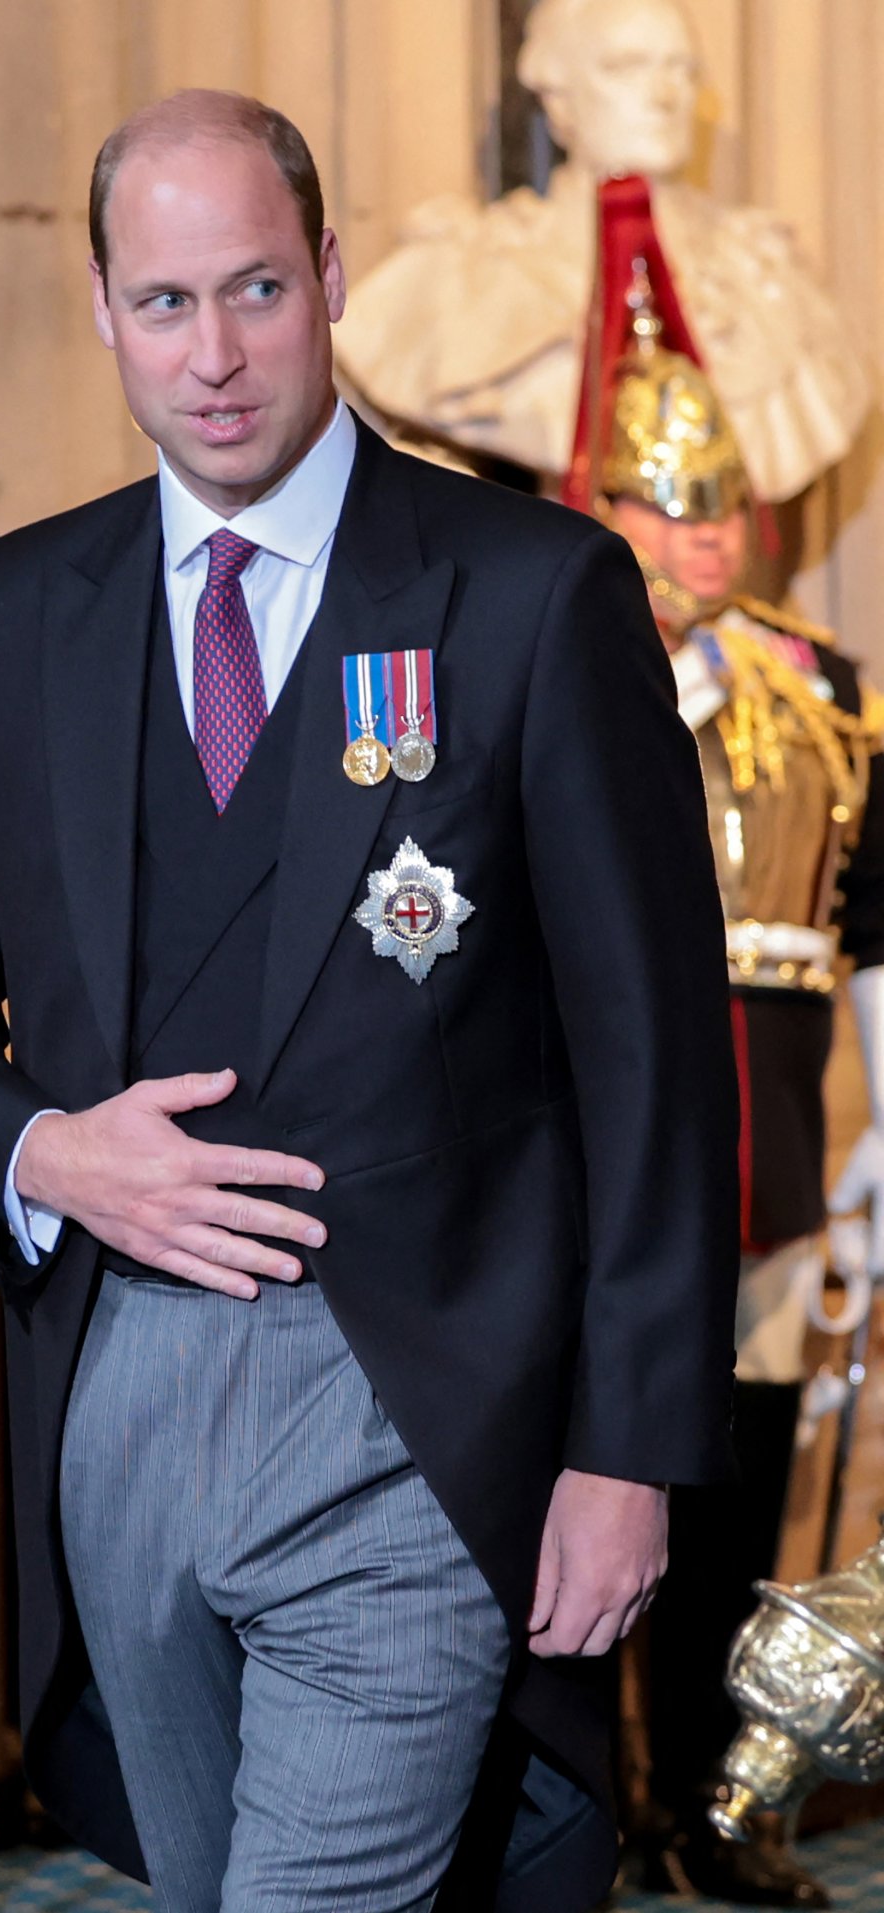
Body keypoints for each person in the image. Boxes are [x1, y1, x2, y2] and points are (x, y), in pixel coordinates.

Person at [0, 90, 739, 1913]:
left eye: (255, 288)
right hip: (115, 1402)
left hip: (421, 1406)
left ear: (328, 276)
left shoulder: (532, 595)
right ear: (101, 311)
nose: (216, 356)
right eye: (164, 304)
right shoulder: (27, 604)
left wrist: (630, 1449)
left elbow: (655, 1065)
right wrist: (43, 1153)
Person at [600, 303, 884, 1908]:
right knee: (589, 1468)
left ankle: (722, 1797)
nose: (701, 538)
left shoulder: (827, 694)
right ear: (609, 509)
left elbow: (879, 930)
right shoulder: (554, 654)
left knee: (736, 1479)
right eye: (667, 505)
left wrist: (879, 1137)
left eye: (720, 507)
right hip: (596, 1158)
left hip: (769, 1151)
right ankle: (588, 1793)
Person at [334, 0, 867, 505]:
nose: (664, 96)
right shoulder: (460, 272)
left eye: (681, 69)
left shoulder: (767, 271)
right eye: (627, 67)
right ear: (557, 97)